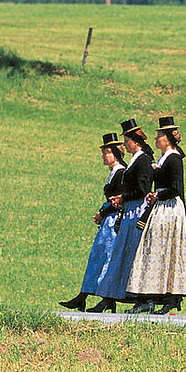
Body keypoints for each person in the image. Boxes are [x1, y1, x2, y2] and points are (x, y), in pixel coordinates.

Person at [126, 116, 186, 315]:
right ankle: (171, 298)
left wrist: (157, 194)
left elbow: (176, 188)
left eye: (159, 136)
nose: (156, 140)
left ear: (167, 139)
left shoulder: (173, 159)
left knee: (169, 253)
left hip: (170, 209)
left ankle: (169, 298)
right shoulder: (165, 158)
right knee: (163, 253)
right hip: (161, 207)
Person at [88, 119, 152, 313]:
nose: (125, 144)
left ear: (135, 141)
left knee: (130, 255)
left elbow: (142, 189)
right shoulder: (136, 160)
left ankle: (139, 298)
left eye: (127, 140)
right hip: (129, 211)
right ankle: (109, 298)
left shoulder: (143, 160)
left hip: (136, 212)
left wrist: (122, 198)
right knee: (120, 255)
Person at [59, 133, 128, 311]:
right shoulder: (115, 172)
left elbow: (119, 202)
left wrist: (103, 212)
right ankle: (83, 296)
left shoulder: (121, 172)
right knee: (98, 256)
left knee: (107, 257)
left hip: (115, 222)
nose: (103, 156)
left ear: (115, 153)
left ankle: (105, 298)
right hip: (108, 220)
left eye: (106, 152)